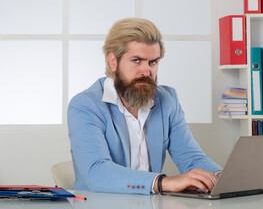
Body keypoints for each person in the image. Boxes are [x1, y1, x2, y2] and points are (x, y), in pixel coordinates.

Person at [68, 18, 222, 195]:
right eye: (136, 61)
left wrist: (222, 177)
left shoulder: (167, 101)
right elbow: (96, 172)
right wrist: (162, 183)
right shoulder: (85, 105)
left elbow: (191, 158)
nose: (146, 71)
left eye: (153, 62)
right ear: (113, 61)